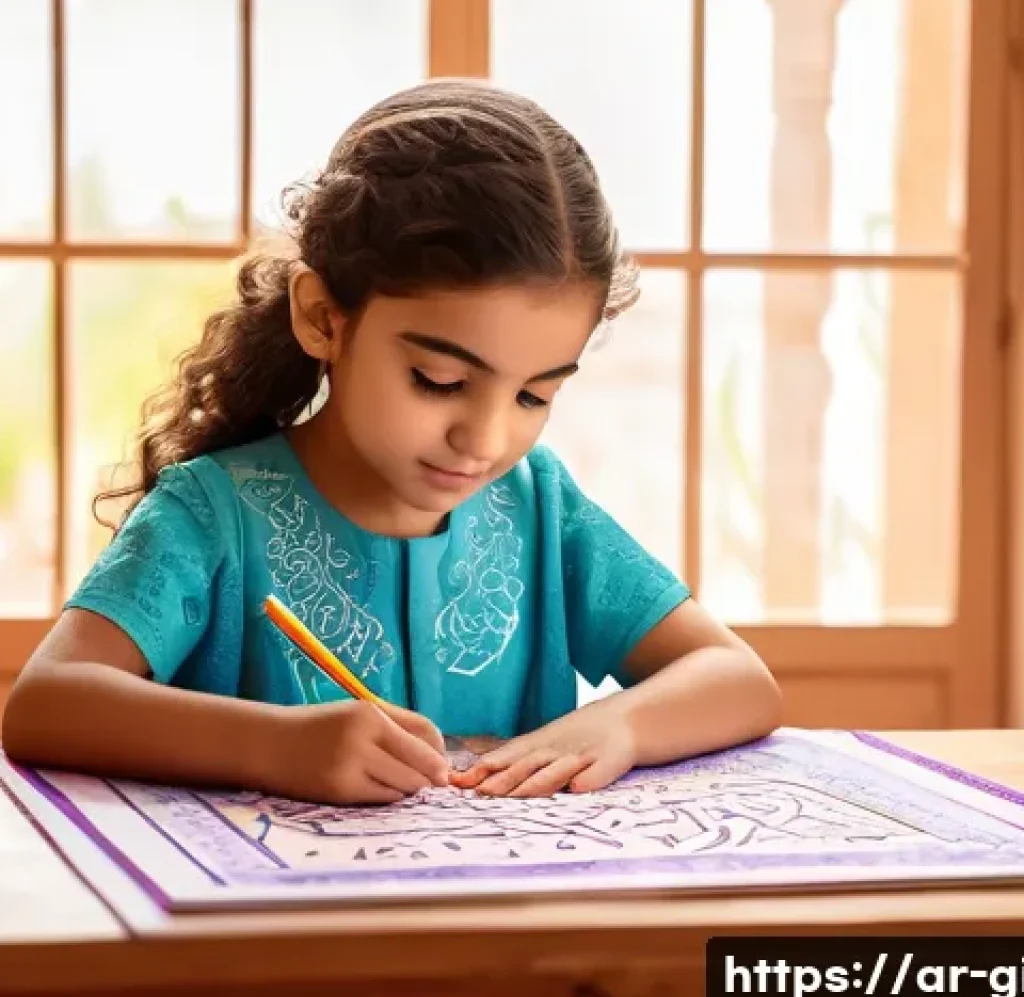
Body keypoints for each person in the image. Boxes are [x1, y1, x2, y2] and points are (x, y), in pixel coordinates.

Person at [2, 79, 781, 806]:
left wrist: (619, 725)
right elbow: (44, 705)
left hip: (508, 940)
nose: (485, 437)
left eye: (535, 395)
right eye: (440, 380)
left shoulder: (540, 505)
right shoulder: (211, 513)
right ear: (323, 318)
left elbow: (736, 678)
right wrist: (275, 747)